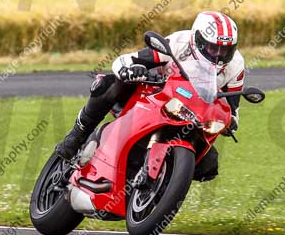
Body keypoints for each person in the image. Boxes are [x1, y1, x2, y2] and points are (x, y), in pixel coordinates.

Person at [56, 11, 246, 182]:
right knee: (109, 84)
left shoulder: (235, 64)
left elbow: (231, 107)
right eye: (214, 48)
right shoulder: (179, 43)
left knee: (209, 165)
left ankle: (164, 182)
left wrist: (231, 123)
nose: (219, 55)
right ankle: (78, 133)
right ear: (198, 40)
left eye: (226, 50)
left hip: (192, 116)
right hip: (156, 94)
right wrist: (130, 70)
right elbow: (125, 61)